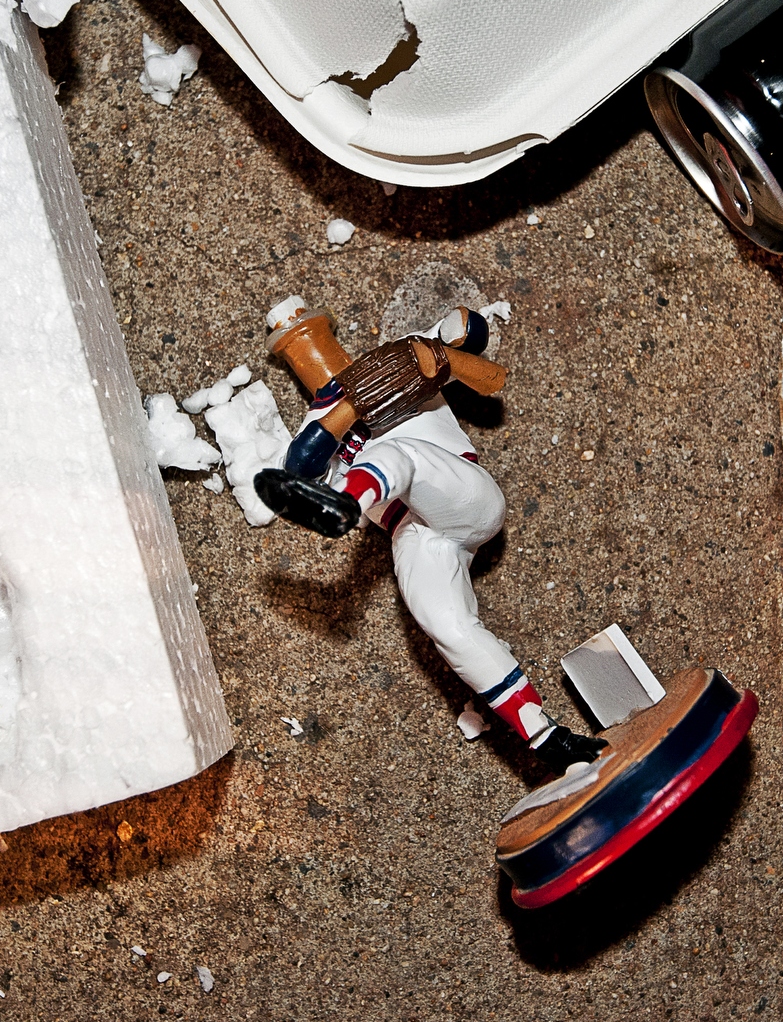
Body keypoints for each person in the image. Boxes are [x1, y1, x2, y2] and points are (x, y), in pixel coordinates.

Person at [255, 296, 606, 774]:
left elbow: (485, 361)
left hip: (464, 498)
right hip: (412, 533)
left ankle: (345, 507)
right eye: (295, 349)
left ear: (327, 332)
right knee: (448, 627)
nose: (308, 353)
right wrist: (350, 403)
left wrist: (446, 347)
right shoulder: (318, 421)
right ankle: (547, 738)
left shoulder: (403, 352)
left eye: (309, 337)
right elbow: (300, 464)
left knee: (404, 454)